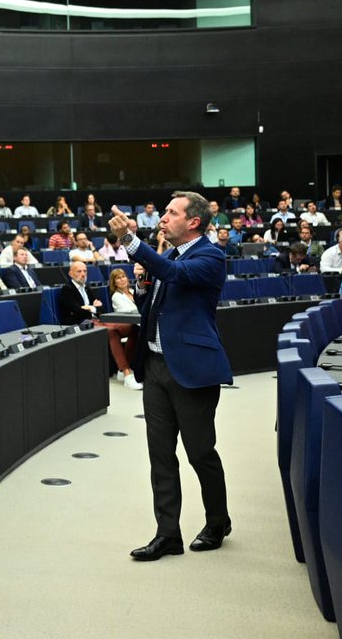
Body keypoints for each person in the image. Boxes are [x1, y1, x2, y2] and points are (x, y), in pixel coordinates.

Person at [107, 195, 232, 561]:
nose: (163, 218)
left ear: (193, 222)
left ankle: (217, 521)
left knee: (200, 453)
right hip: (158, 367)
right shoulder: (171, 258)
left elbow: (176, 277)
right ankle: (167, 534)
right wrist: (144, 289)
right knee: (160, 456)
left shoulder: (209, 256)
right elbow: (159, 303)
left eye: (171, 213)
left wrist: (130, 241)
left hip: (192, 370)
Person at [105, 268, 143, 390]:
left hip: (137, 324)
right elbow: (128, 311)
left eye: (123, 276)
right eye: (118, 278)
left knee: (137, 331)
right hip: (124, 324)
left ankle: (123, 370)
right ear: (114, 282)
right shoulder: (116, 296)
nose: (122, 279)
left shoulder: (133, 291)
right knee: (116, 332)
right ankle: (126, 373)